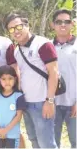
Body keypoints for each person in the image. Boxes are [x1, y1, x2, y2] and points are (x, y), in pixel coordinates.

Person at [5, 13, 58, 148]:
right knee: (33, 139)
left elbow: (54, 73)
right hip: (26, 103)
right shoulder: (17, 50)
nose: (15, 31)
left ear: (27, 26)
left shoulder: (43, 44)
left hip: (42, 102)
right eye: (11, 29)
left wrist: (49, 101)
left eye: (18, 26)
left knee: (46, 143)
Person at [51, 9, 76, 148]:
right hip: (52, 104)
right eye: (58, 22)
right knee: (53, 142)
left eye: (66, 21)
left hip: (74, 103)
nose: (63, 24)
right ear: (52, 25)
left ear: (72, 24)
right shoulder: (47, 46)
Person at [0, 65, 26, 148]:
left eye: (10, 78)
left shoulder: (18, 96)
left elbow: (18, 116)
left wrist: (5, 130)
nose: (7, 82)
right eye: (3, 79)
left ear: (15, 79)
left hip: (12, 134)